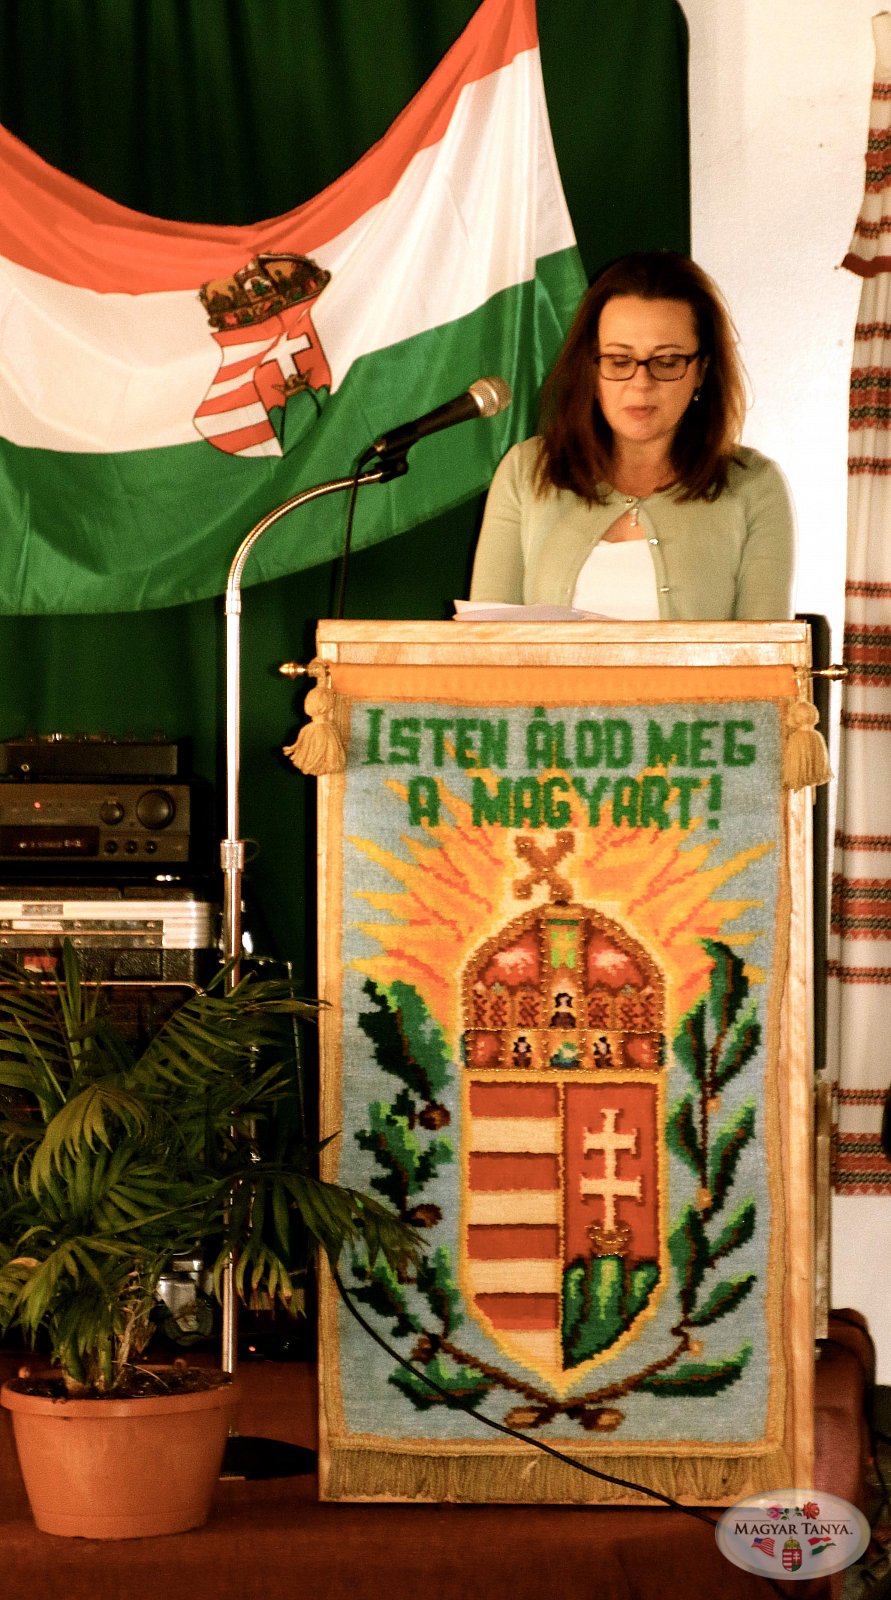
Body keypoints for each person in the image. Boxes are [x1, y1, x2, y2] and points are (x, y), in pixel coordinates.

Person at [469, 251, 795, 620]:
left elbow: (766, 665)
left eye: (667, 362)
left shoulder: (753, 486)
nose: (641, 383)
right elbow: (484, 648)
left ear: (701, 371)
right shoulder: (526, 472)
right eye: (619, 361)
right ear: (591, 368)